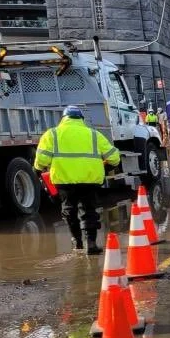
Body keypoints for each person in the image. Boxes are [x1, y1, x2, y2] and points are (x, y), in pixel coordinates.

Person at [34, 105, 120, 255]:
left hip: (64, 181)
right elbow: (114, 158)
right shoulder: (94, 134)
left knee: (69, 210)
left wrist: (37, 169)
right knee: (88, 210)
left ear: (63, 119)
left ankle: (77, 242)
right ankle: (91, 243)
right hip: (90, 180)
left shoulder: (52, 134)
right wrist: (105, 169)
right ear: (81, 119)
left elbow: (42, 160)